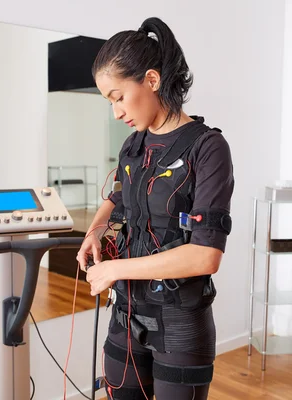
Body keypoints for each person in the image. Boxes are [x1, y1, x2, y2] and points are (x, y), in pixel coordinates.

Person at [76, 17, 234, 399]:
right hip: (126, 314)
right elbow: (118, 195)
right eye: (108, 101)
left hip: (180, 323)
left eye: (118, 96)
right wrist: (95, 231)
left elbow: (205, 256)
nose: (115, 112)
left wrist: (115, 268)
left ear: (151, 80)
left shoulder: (208, 148)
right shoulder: (132, 146)